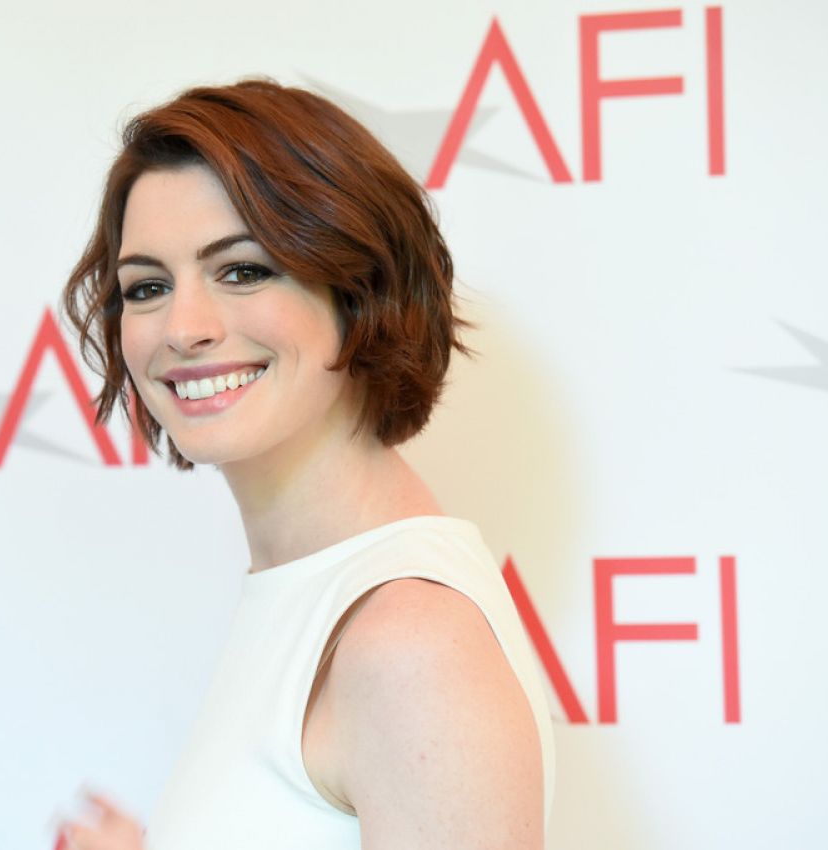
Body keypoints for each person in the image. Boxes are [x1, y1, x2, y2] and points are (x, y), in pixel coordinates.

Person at [56, 78, 555, 850]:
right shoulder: (312, 593)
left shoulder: (409, 644)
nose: (183, 328)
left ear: (357, 288)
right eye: (147, 287)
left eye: (243, 270)